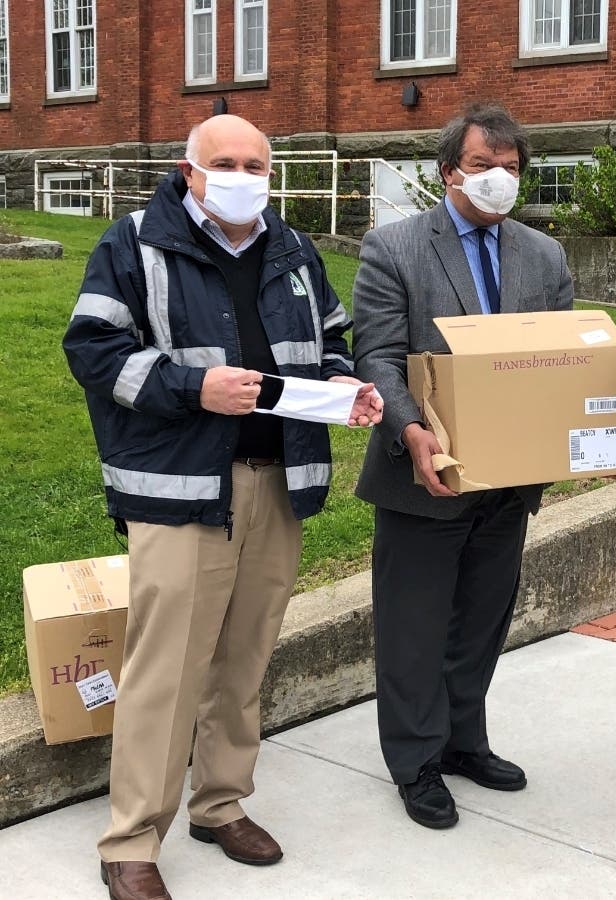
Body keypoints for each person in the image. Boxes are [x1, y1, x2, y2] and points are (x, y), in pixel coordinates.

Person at [63, 114, 382, 900]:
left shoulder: (294, 247)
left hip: (278, 478)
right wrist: (192, 386)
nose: (242, 175)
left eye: (255, 162)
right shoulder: (135, 241)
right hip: (181, 489)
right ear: (190, 169)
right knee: (165, 670)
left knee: (244, 659)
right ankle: (132, 837)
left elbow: (333, 335)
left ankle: (220, 802)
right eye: (225, 162)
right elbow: (93, 351)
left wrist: (340, 381)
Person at [353, 104, 573, 830]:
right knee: (414, 627)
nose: (498, 180)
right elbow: (376, 356)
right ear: (449, 171)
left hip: (509, 482)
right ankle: (415, 761)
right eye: (483, 166)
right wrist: (408, 427)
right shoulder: (395, 248)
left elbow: (564, 359)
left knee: (481, 620)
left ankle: (462, 739)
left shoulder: (544, 256)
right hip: (426, 477)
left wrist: (577, 438)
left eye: (511, 169)